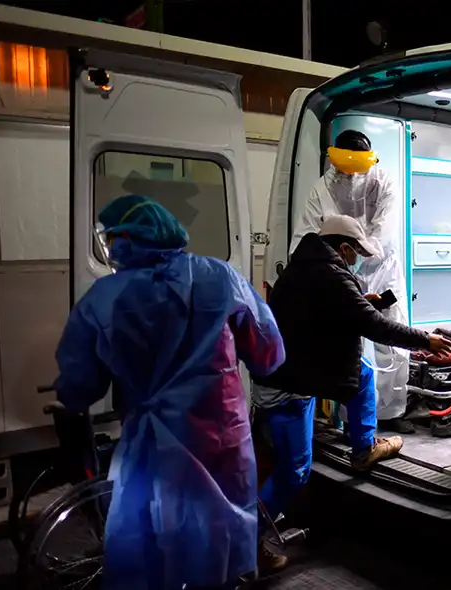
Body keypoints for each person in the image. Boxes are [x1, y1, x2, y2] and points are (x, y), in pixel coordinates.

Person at [53, 195, 287, 589]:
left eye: (112, 239)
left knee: (152, 548)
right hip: (220, 438)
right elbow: (268, 352)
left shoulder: (104, 297)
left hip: (152, 447)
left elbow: (79, 387)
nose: (111, 248)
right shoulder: (219, 277)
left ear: (129, 239)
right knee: (218, 542)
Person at [254, 214, 451, 526]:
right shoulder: (333, 276)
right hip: (286, 387)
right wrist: (426, 340)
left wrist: (358, 301)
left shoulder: (300, 267)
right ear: (343, 248)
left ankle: (364, 448)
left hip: (294, 369)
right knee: (294, 471)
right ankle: (248, 538)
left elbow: (320, 309)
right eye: (356, 253)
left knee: (362, 372)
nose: (356, 259)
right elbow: (376, 327)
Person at [292, 130, 415, 433]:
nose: (350, 176)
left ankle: (393, 412)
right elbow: (306, 235)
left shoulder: (383, 182)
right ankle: (353, 419)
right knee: (350, 347)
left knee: (392, 339)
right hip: (339, 270)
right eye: (344, 170)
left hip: (382, 268)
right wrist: (335, 269)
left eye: (356, 169)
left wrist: (358, 257)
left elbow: (384, 231)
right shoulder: (322, 189)